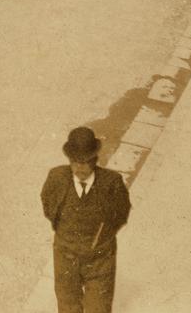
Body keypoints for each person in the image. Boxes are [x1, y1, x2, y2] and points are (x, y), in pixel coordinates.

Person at [41, 125, 131, 313]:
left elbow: (121, 214)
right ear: (69, 160)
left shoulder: (111, 183)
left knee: (98, 308)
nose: (80, 167)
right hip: (66, 258)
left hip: (99, 261)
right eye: (75, 161)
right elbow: (49, 207)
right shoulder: (56, 178)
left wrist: (101, 241)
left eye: (86, 161)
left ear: (95, 160)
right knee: (67, 306)